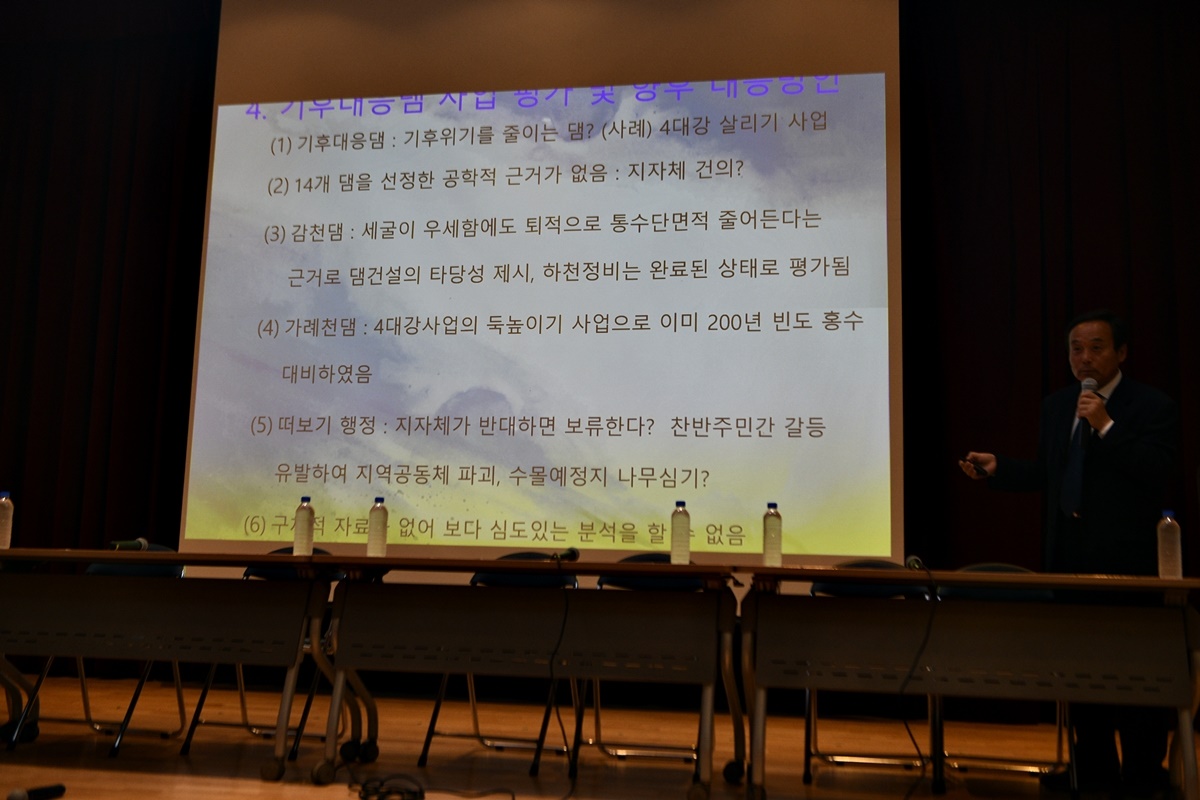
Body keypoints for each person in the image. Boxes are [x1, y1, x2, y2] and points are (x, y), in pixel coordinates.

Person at [959, 309, 1179, 796]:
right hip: (1068, 563)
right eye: (1076, 349)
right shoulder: (1058, 405)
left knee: (1137, 678)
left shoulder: (1151, 405)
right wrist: (1000, 469)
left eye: (1096, 347)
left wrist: (1106, 425)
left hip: (1130, 569)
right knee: (1082, 676)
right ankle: (1092, 773)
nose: (1085, 358)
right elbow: (1051, 473)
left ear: (1121, 353)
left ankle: (1143, 776)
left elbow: (1155, 471)